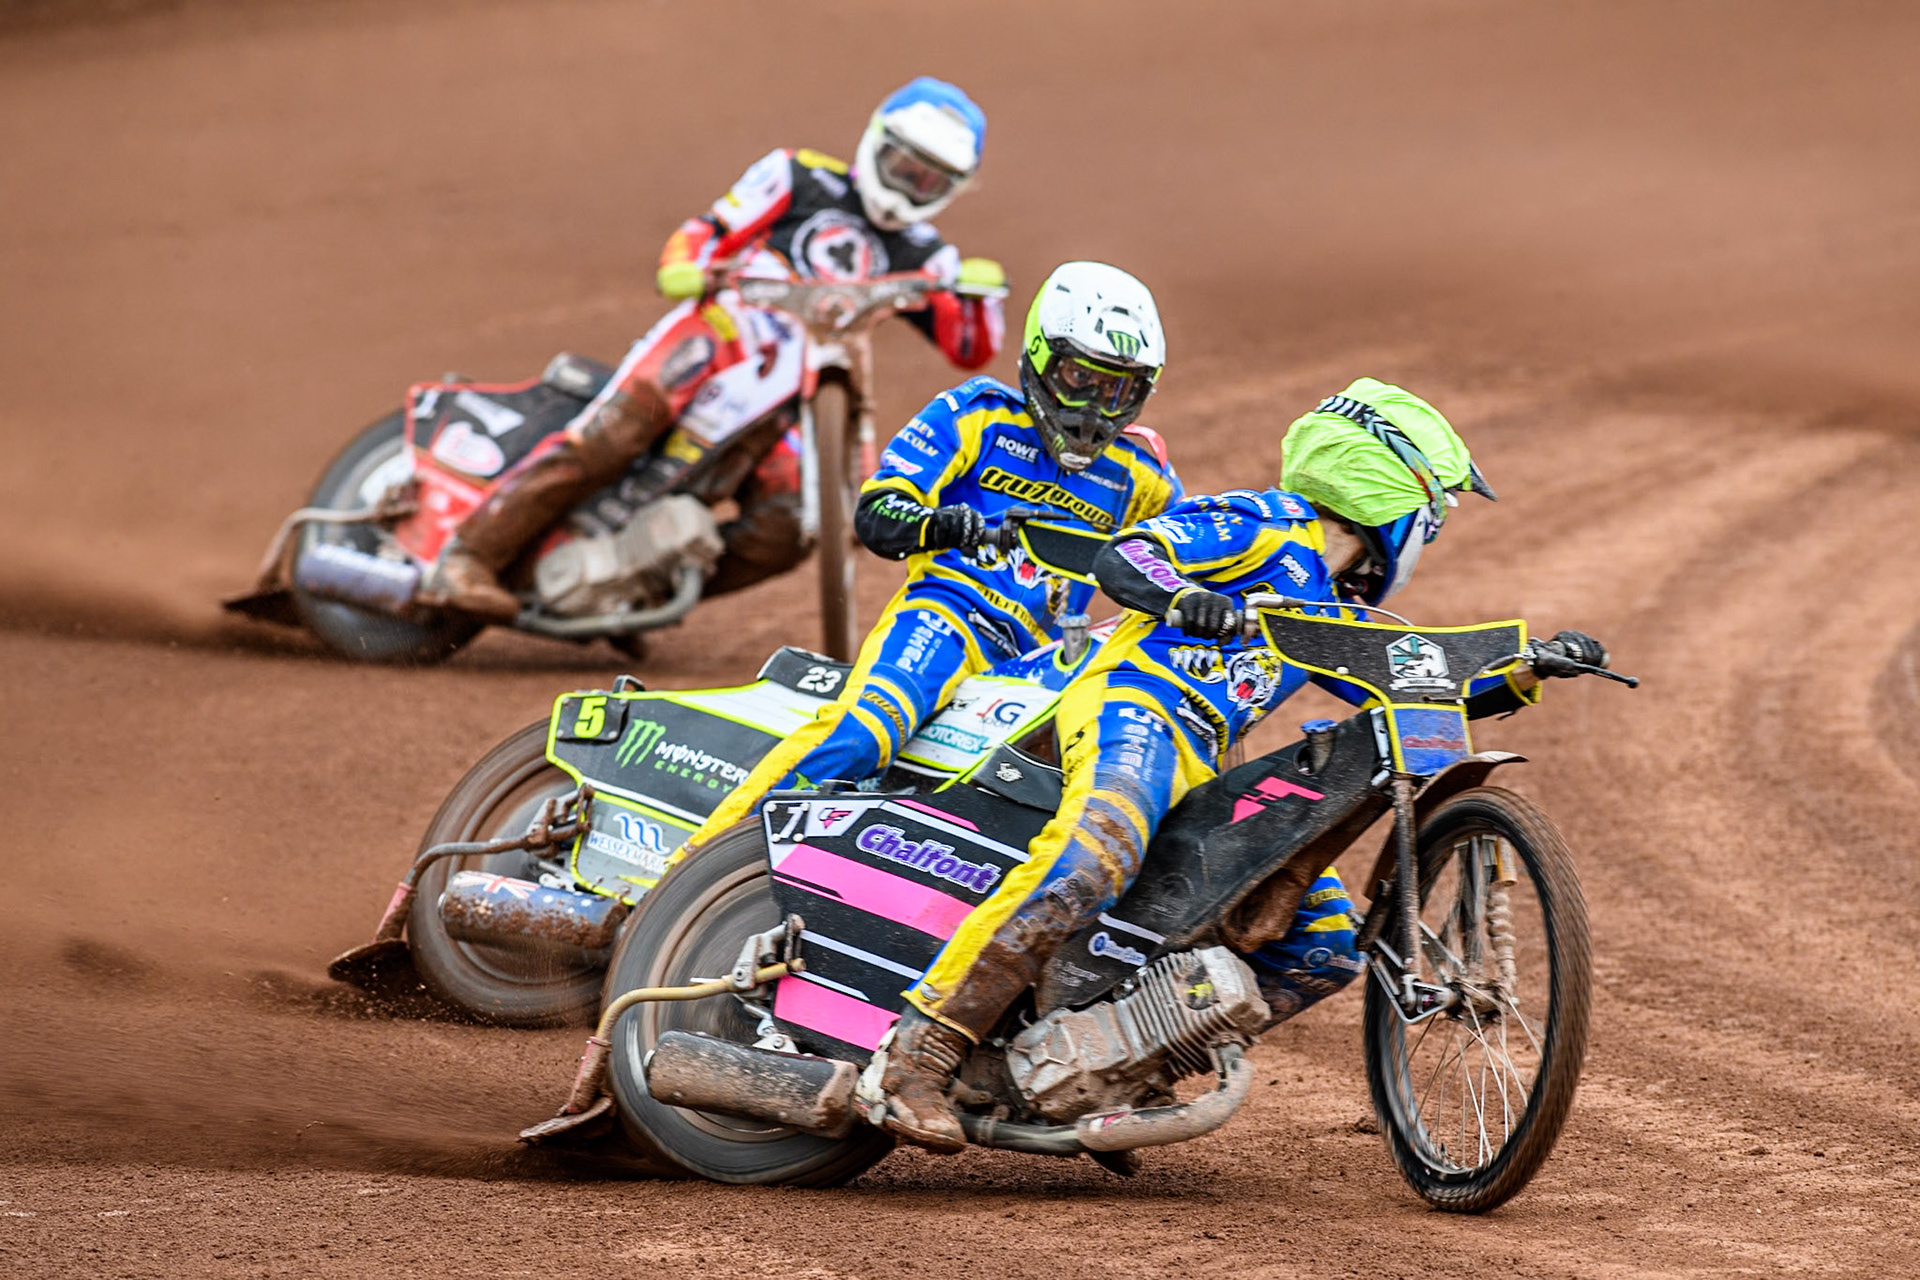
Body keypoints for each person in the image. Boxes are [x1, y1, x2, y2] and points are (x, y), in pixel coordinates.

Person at [876, 377, 1611, 1151]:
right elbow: (1130, 556)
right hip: (1135, 708)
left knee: (1322, 944)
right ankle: (920, 1056)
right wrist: (1183, 596)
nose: (1431, 533)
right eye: (1435, 512)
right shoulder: (1266, 522)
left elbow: (1411, 677)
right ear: (1395, 494)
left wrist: (1529, 669)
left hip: (1203, 757)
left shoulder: (1327, 604)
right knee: (1100, 851)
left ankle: (1104, 1065)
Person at [427, 77, 1008, 620]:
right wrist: (685, 263)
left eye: (931, 179)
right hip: (722, 337)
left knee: (789, 527)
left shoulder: (928, 254)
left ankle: (636, 594)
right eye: (904, 165)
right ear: (877, 142)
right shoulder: (800, 177)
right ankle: (467, 555)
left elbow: (968, 349)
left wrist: (979, 295)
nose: (911, 186)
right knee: (613, 435)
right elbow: (710, 228)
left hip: (796, 395)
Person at [671, 260, 1185, 863]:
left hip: (1049, 657)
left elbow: (1187, 557)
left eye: (1119, 390)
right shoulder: (977, 413)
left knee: (1117, 770)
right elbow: (878, 513)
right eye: (1082, 380)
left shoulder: (1144, 474)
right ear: (1042, 358)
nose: (1096, 410)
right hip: (948, 620)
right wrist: (941, 524)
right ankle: (690, 868)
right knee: (868, 731)